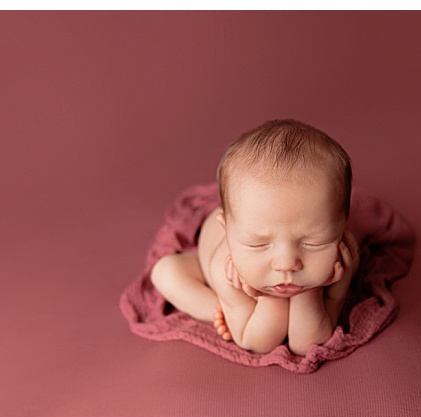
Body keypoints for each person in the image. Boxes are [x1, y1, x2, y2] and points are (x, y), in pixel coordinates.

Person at [149, 118, 359, 354]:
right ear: (228, 230)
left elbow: (307, 344)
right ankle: (218, 310)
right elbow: (257, 341)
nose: (286, 263)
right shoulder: (226, 267)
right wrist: (271, 299)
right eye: (258, 244)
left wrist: (310, 292)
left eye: (313, 242)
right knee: (165, 272)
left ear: (342, 225)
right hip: (211, 259)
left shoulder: (342, 258)